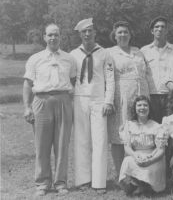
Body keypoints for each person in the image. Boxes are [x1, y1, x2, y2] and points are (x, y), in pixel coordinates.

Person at [23, 24, 76, 196]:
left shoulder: (69, 58)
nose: (53, 38)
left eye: (56, 35)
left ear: (60, 37)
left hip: (63, 100)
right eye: (50, 35)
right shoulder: (35, 58)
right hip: (41, 101)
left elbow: (73, 80)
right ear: (44, 37)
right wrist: (27, 107)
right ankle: (42, 183)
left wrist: (65, 98)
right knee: (42, 145)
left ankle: (60, 182)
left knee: (62, 144)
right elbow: (28, 84)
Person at [70, 18, 115, 194]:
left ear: (95, 33)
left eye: (90, 31)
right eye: (84, 32)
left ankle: (99, 182)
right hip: (79, 99)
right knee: (81, 140)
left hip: (98, 100)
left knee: (100, 141)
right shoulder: (73, 54)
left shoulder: (104, 53)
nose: (87, 34)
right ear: (80, 35)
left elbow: (110, 79)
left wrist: (108, 101)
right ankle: (83, 180)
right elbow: (70, 78)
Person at [107, 21, 155, 178]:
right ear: (114, 36)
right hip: (122, 95)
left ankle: (137, 169)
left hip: (141, 95)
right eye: (119, 32)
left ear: (130, 34)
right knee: (120, 132)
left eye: (125, 32)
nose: (123, 35)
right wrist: (110, 99)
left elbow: (147, 73)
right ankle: (120, 172)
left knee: (139, 131)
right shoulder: (110, 53)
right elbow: (107, 78)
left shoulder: (138, 52)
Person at [119, 95, 166, 196]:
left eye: (145, 105)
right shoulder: (129, 125)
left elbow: (161, 150)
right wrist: (135, 156)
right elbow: (127, 147)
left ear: (149, 108)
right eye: (139, 105)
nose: (142, 108)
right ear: (135, 109)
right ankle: (137, 184)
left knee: (151, 168)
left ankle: (145, 186)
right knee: (128, 161)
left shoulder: (157, 126)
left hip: (153, 156)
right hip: (136, 155)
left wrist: (150, 160)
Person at [141, 16, 173, 123]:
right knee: (153, 128)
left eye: (163, 27)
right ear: (152, 31)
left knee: (171, 128)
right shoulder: (144, 51)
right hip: (151, 96)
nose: (160, 29)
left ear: (166, 30)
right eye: (156, 27)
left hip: (170, 95)